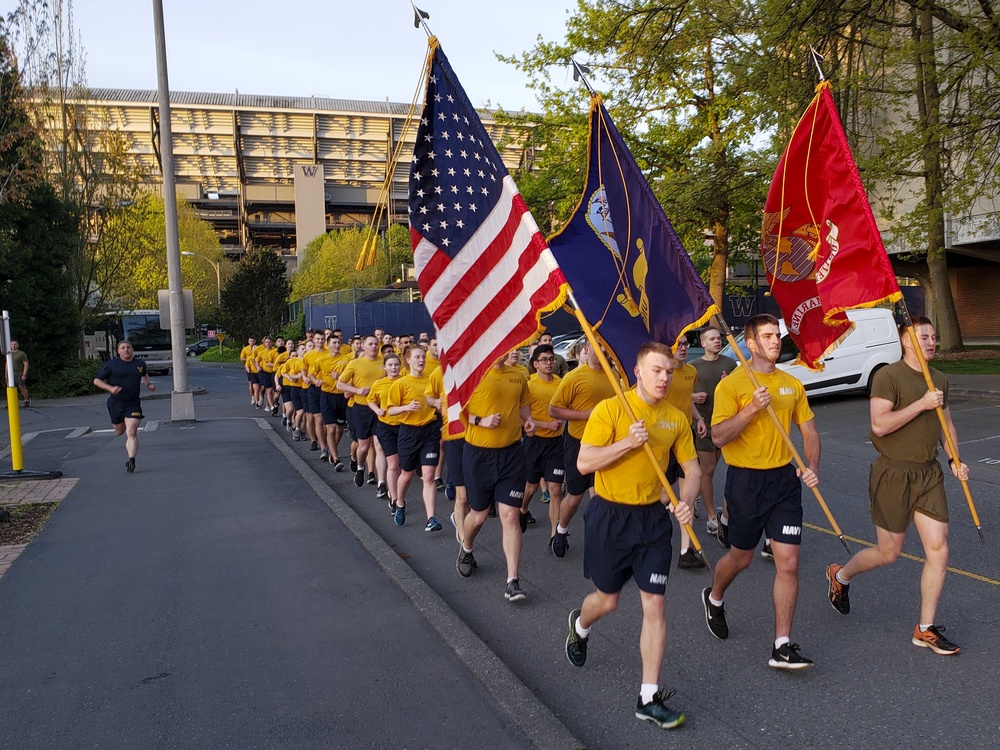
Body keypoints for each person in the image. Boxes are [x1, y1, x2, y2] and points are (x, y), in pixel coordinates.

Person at [565, 342, 699, 730]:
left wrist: (686, 501)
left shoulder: (675, 418)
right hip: (610, 516)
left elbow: (691, 470)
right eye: (656, 370)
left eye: (669, 371)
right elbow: (584, 461)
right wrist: (627, 442)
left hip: (653, 521)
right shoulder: (611, 409)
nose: (664, 378)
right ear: (637, 371)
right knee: (607, 601)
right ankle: (580, 625)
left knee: (655, 604)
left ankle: (648, 696)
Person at [825, 316, 968, 656]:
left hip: (928, 474)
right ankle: (841, 575)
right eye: (924, 336)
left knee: (939, 548)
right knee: (889, 552)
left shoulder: (940, 380)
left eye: (934, 336)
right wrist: (921, 403)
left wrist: (954, 460)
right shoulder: (889, 377)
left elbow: (946, 426)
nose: (932, 341)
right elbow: (879, 425)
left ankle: (925, 628)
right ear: (907, 341)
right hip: (893, 473)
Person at [701, 313, 820, 669]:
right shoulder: (732, 385)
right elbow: (718, 436)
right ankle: (715, 596)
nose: (774, 341)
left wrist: (812, 466)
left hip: (784, 481)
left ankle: (782, 644)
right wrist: (752, 408)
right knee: (742, 558)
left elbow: (810, 432)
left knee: (789, 562)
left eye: (776, 335)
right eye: (766, 336)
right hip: (745, 481)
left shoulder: (790, 384)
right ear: (750, 343)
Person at [456, 352, 535, 603]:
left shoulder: (518, 375)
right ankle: (467, 548)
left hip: (511, 454)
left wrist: (528, 419)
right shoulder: (472, 374)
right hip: (478, 454)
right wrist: (480, 420)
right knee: (478, 515)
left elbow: (522, 403)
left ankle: (513, 581)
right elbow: (455, 409)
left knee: (511, 515)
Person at [547, 342, 618, 557]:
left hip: (607, 444)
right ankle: (561, 530)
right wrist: (586, 415)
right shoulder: (574, 377)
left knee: (602, 497)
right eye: (599, 347)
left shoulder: (615, 376)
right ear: (586, 350)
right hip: (578, 443)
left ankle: (601, 540)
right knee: (575, 497)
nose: (604, 351)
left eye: (606, 347)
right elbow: (554, 410)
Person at [387, 344, 441, 530]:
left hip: (430, 430)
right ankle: (400, 502)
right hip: (409, 432)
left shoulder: (432, 380)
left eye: (423, 357)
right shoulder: (400, 383)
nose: (421, 360)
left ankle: (431, 518)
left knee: (428, 476)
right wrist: (406, 408)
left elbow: (438, 400)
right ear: (408, 360)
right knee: (407, 475)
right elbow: (391, 410)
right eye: (417, 357)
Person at [664, 337, 707, 569]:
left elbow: (685, 400)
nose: (683, 348)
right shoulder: (662, 373)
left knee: (688, 494)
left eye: (686, 344)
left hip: (684, 435)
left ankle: (685, 551)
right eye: (678, 344)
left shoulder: (691, 371)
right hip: (660, 436)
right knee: (661, 495)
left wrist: (698, 419)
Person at [690, 327, 737, 537]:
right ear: (703, 343)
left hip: (724, 423)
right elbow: (681, 393)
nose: (717, 342)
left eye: (718, 338)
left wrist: (729, 383)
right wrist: (693, 397)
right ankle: (711, 517)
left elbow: (739, 391)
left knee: (717, 468)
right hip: (703, 425)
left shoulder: (729, 364)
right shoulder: (693, 367)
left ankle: (701, 493)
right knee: (707, 469)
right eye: (712, 339)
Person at [520, 344, 564, 537]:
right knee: (531, 487)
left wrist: (562, 419)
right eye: (544, 360)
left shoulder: (560, 383)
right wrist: (546, 425)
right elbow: (523, 418)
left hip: (556, 444)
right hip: (535, 442)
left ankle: (555, 535)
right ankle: (522, 510)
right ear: (535, 363)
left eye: (551, 359)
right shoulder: (529, 385)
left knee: (555, 491)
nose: (549, 363)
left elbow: (565, 407)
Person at [93, 340, 156, 473]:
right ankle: (120, 428)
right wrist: (110, 388)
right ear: (118, 351)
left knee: (131, 431)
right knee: (119, 431)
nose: (126, 350)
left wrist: (148, 384)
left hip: (133, 403)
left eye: (128, 347)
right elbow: (97, 380)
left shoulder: (139, 364)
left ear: (132, 349)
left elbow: (144, 374)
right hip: (116, 403)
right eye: (123, 348)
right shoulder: (111, 365)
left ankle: (131, 460)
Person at [338, 335, 385, 488]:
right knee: (363, 447)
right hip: (361, 409)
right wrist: (357, 390)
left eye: (376, 344)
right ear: (363, 346)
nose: (374, 346)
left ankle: (381, 482)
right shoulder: (355, 363)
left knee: (379, 446)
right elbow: (340, 384)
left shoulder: (383, 363)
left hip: (378, 409)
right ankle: (360, 467)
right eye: (370, 344)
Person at [369, 352, 403, 506]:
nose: (394, 367)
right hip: (385, 426)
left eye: (396, 364)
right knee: (393, 463)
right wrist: (377, 410)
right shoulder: (379, 383)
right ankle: (394, 498)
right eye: (390, 365)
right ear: (385, 367)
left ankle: (395, 490)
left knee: (403, 465)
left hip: (404, 426)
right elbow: (370, 400)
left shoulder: (404, 382)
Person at [8, 340, 30, 407]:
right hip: (11, 372)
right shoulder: (9, 354)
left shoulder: (21, 354)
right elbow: (7, 364)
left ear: (18, 345)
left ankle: (26, 400)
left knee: (21, 387)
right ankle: (11, 402)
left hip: (19, 372)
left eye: (15, 344)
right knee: (10, 387)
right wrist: (6, 374)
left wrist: (24, 374)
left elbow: (26, 364)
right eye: (12, 344)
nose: (13, 346)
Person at [239, 336, 258, 406]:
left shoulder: (257, 348)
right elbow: (242, 358)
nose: (252, 342)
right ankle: (253, 396)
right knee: (251, 383)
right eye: (250, 341)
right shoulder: (245, 349)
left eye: (253, 341)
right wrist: (248, 360)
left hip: (258, 369)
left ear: (255, 341)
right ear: (248, 341)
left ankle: (257, 396)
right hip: (249, 368)